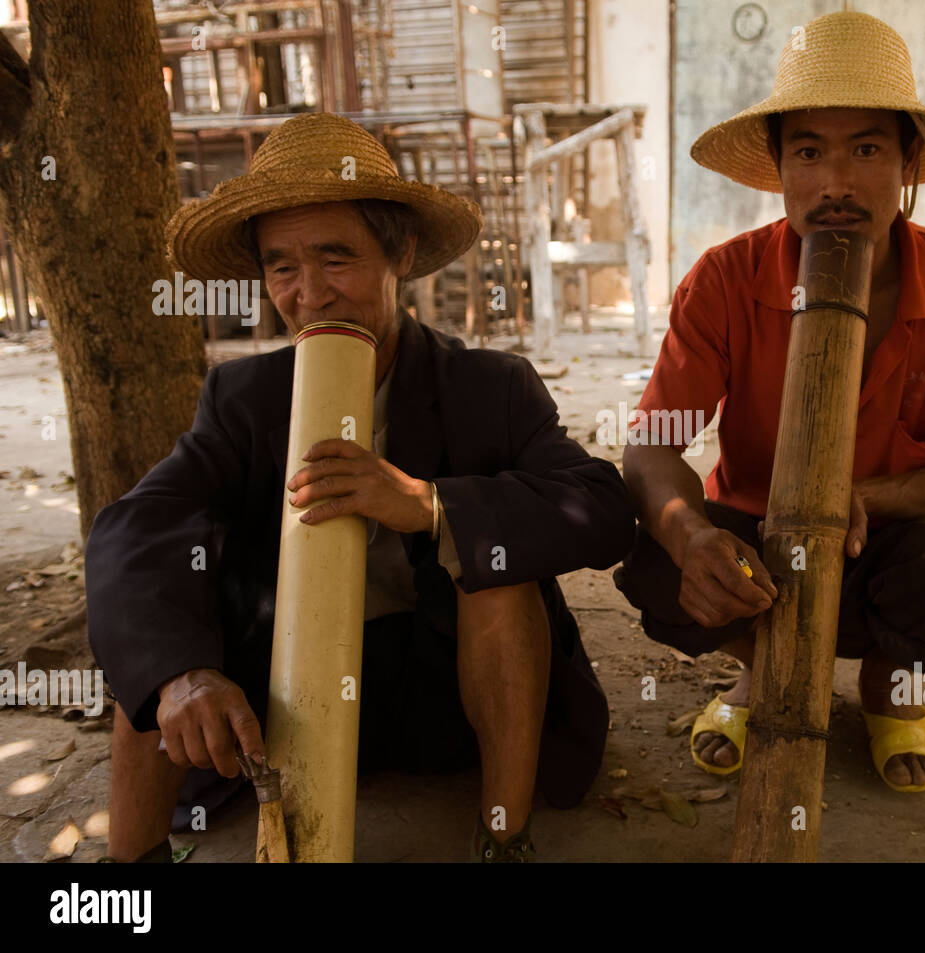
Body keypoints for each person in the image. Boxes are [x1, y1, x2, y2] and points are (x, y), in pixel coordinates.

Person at [86, 113, 636, 862]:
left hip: (445, 693)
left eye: (335, 257)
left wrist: (429, 505)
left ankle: (504, 838)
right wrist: (181, 674)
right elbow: (138, 524)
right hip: (288, 700)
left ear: (400, 252)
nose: (310, 294)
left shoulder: (489, 386)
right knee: (154, 634)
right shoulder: (242, 398)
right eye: (282, 266)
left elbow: (599, 504)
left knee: (498, 571)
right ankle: (126, 880)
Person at [614, 11, 925, 793]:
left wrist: (857, 497)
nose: (836, 184)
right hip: (761, 550)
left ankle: (886, 689)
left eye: (867, 150)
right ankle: (760, 674)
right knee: (649, 551)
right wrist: (691, 540)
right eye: (809, 151)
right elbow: (651, 448)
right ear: (778, 165)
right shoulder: (724, 278)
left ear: (910, 160)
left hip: (891, 552)